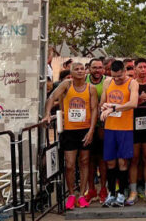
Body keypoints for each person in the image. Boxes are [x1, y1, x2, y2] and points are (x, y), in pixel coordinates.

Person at [43, 62, 98, 209]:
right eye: (77, 69)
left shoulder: (90, 88)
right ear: (71, 72)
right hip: (69, 131)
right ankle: (71, 194)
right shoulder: (66, 84)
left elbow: (94, 110)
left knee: (85, 162)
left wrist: (91, 130)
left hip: (85, 129)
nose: (80, 71)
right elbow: (51, 97)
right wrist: (48, 114)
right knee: (69, 165)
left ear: (85, 72)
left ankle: (82, 194)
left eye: (82, 69)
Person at [99, 60, 139, 207]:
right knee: (110, 161)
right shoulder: (108, 82)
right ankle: (111, 192)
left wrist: (114, 108)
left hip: (125, 128)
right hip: (110, 127)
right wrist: (104, 107)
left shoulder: (132, 83)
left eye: (119, 76)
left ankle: (122, 193)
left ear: (124, 71)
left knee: (123, 161)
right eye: (114, 76)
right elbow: (103, 101)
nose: (117, 79)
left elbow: (133, 103)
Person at [127, 58, 146, 205]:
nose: (143, 69)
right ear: (135, 69)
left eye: (145, 67)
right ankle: (133, 191)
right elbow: (126, 105)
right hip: (132, 127)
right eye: (140, 67)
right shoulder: (130, 85)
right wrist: (138, 100)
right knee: (134, 159)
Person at [85, 58, 108, 204]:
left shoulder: (108, 81)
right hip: (85, 125)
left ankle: (103, 189)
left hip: (103, 125)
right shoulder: (83, 80)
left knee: (102, 159)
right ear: (89, 69)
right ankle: (91, 189)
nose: (97, 70)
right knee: (88, 160)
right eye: (94, 68)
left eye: (100, 68)